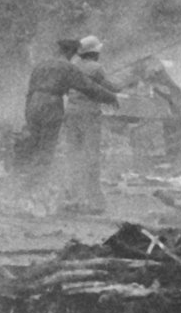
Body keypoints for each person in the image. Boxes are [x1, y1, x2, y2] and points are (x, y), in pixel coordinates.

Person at [19, 37, 117, 200]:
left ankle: (23, 187)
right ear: (71, 52)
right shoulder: (67, 67)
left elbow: (29, 91)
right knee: (46, 149)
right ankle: (35, 191)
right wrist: (110, 97)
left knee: (34, 146)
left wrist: (28, 113)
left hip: (33, 103)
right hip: (51, 104)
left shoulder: (41, 65)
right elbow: (88, 87)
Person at [59, 35, 123, 214]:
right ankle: (94, 201)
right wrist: (127, 82)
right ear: (95, 52)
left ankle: (72, 197)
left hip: (71, 113)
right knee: (91, 156)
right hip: (89, 115)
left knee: (73, 155)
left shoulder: (73, 65)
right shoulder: (96, 68)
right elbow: (112, 87)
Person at [140, 59, 181, 165]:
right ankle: (155, 76)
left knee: (174, 96)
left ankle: (154, 75)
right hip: (176, 121)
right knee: (173, 96)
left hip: (176, 121)